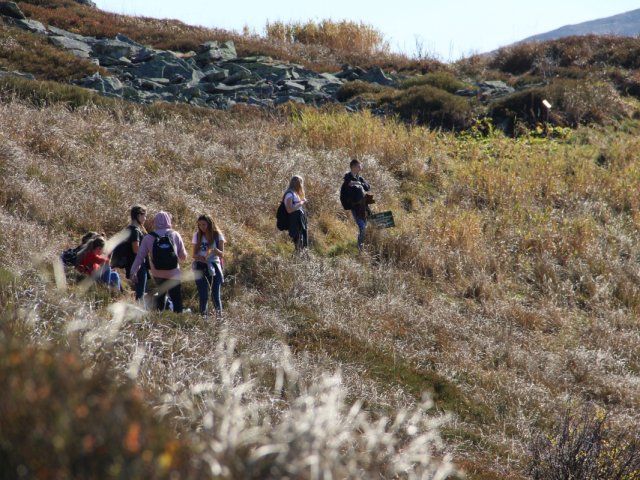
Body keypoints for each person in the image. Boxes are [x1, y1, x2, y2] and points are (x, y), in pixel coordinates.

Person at [129, 211, 188, 313]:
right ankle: (178, 321)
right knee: (176, 298)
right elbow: (183, 257)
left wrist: (133, 271)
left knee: (161, 296)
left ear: (155, 221)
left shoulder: (148, 237)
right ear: (168, 220)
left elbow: (139, 257)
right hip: (173, 272)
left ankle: (159, 318)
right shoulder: (175, 235)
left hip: (157, 272)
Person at [111, 205, 148, 302]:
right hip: (138, 265)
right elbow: (136, 249)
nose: (145, 219)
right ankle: (139, 313)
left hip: (131, 264)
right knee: (140, 292)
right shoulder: (135, 231)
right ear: (139, 215)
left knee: (138, 291)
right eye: (144, 216)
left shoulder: (128, 229)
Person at [192, 214, 225, 318]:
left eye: (204, 224)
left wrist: (214, 249)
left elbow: (222, 254)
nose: (202, 227)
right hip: (200, 265)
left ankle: (219, 318)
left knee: (215, 294)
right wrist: (199, 258)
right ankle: (204, 318)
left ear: (209, 224)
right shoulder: (197, 235)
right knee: (203, 295)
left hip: (214, 265)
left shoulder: (217, 235)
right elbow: (194, 254)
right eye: (200, 225)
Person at [341, 159, 371, 251]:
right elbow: (343, 196)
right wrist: (349, 206)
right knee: (362, 227)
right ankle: (360, 249)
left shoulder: (359, 178)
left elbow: (368, 187)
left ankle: (361, 247)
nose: (360, 168)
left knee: (365, 227)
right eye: (358, 166)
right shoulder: (347, 180)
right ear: (353, 167)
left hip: (364, 207)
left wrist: (359, 183)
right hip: (355, 208)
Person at [284, 175, 308, 250]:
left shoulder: (294, 193)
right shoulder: (289, 194)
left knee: (302, 240)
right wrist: (302, 202)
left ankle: (301, 257)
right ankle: (297, 259)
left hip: (299, 219)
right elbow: (289, 210)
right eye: (301, 183)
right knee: (297, 241)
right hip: (294, 220)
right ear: (298, 184)